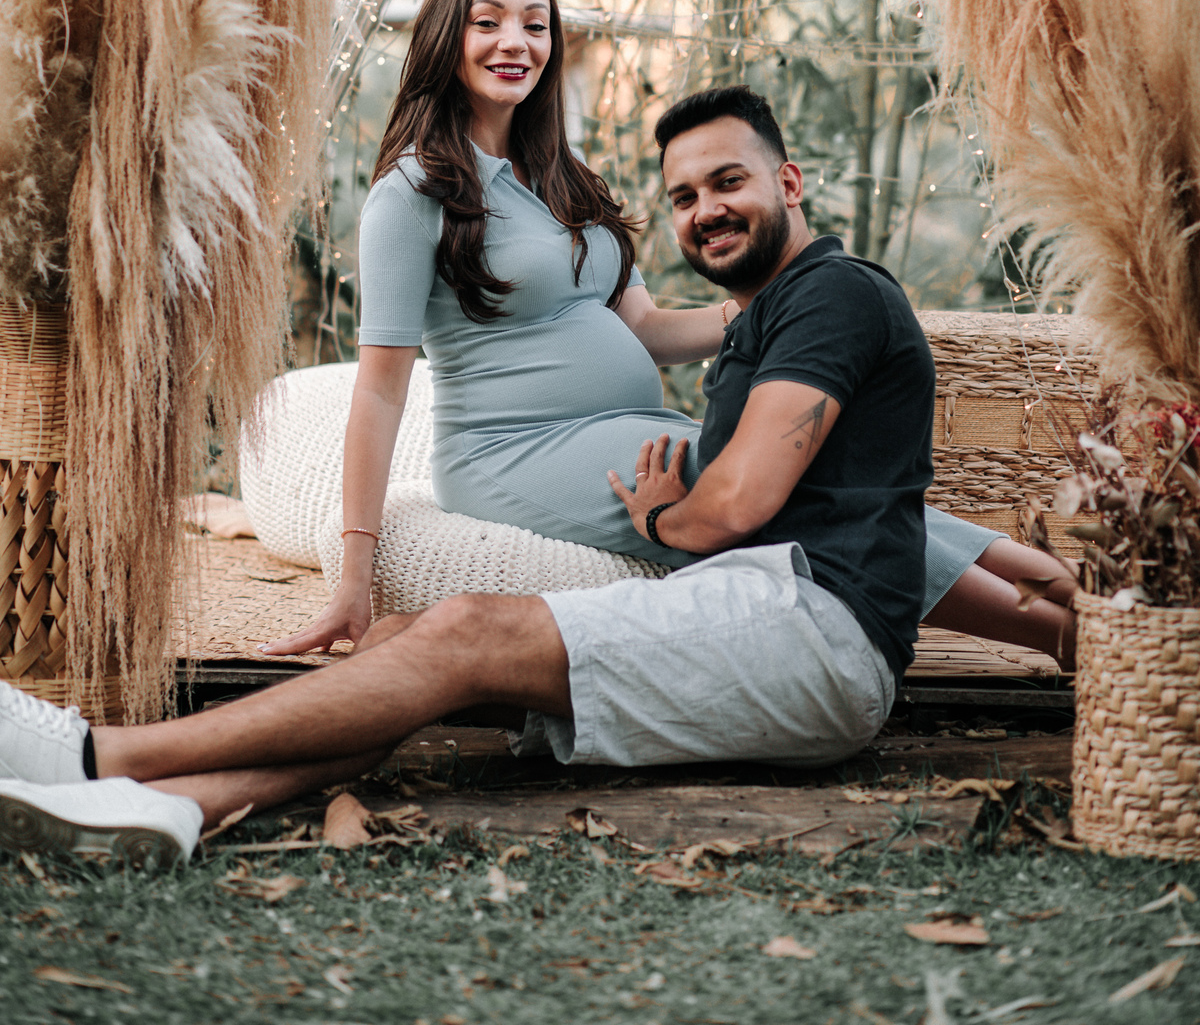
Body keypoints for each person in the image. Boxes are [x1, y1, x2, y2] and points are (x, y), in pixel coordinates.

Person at [0, 83, 1070, 869]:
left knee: (466, 631)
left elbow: (733, 509)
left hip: (810, 636)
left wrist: (667, 514)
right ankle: (180, 803)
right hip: (767, 608)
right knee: (403, 642)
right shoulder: (772, 319)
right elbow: (870, 509)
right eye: (684, 195)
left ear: (789, 183)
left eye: (728, 182)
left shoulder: (834, 296)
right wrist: (1053, 604)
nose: (704, 209)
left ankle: (101, 756)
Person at [263, 0, 1075, 667]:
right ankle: (1064, 635)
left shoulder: (567, 177)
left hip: (629, 427)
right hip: (511, 452)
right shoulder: (413, 194)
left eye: (536, 25)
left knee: (832, 478)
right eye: (489, 22)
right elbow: (380, 389)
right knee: (772, 493)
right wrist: (354, 574)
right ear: (448, 36)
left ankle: (1078, 591)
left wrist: (775, 307)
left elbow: (645, 328)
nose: (516, 42)